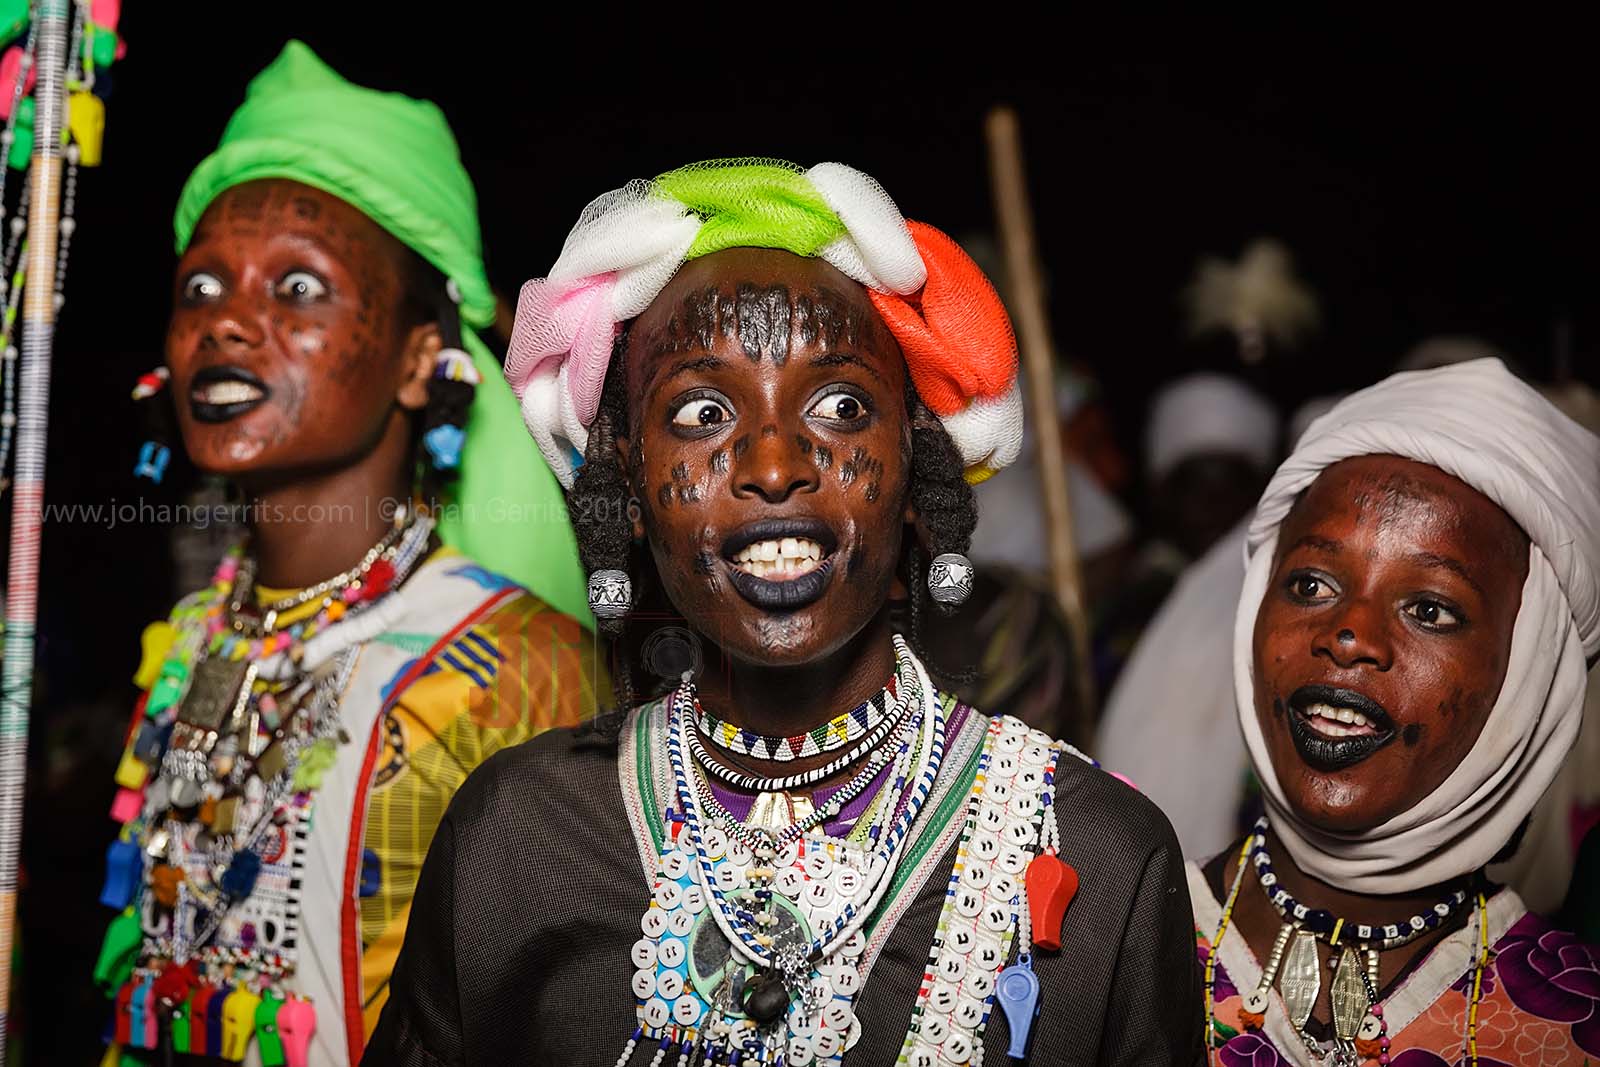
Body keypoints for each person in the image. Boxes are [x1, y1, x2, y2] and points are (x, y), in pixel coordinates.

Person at [367, 158, 1201, 1066]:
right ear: (627, 485)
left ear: (921, 470)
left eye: (841, 405)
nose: (773, 464)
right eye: (702, 411)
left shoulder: (1097, 858)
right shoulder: (515, 837)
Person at [92, 43, 598, 1066]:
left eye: (296, 286)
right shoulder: (187, 643)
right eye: (200, 286)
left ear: (421, 358)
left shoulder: (512, 666)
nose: (227, 321)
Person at [1193, 359, 1600, 1065]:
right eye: (1312, 582)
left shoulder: (1574, 1029)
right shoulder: (1103, 939)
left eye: (1430, 608)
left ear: (1531, 670)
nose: (1350, 633)